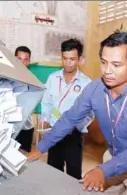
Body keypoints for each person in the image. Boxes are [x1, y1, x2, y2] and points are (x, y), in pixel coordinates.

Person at [27, 32, 127, 195]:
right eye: (103, 62)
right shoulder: (94, 89)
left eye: (116, 65)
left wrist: (102, 170)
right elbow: (70, 118)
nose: (107, 70)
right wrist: (41, 148)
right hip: (114, 156)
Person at [40, 38, 93, 180]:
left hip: (73, 135)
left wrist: (76, 126)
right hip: (54, 131)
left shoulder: (87, 83)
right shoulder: (52, 78)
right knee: (52, 171)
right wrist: (44, 121)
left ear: (79, 59)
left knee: (73, 174)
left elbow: (90, 113)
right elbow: (46, 103)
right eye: (65, 58)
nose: (68, 63)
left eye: (72, 59)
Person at [14, 46, 35, 153]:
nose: (22, 62)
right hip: (11, 126)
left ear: (29, 61)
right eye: (19, 59)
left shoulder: (32, 80)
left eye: (25, 59)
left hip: (26, 127)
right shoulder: (8, 77)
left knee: (25, 158)